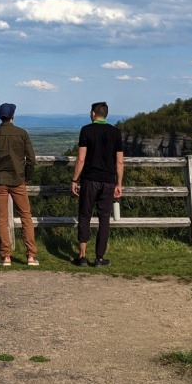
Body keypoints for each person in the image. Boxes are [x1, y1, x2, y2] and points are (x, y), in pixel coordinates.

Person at [0, 103, 38, 267]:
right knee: (26, 217)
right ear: (13, 116)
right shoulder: (22, 134)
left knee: (2, 219)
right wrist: (25, 176)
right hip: (18, 180)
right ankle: (31, 256)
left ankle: (6, 256)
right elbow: (31, 159)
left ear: (0, 116)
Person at [70, 101, 124, 267]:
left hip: (90, 180)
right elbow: (120, 162)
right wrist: (119, 183)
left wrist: (74, 179)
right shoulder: (115, 132)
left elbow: (81, 159)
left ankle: (82, 256)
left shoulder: (86, 130)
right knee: (104, 219)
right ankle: (100, 257)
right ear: (105, 114)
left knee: (85, 216)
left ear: (93, 113)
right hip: (108, 181)